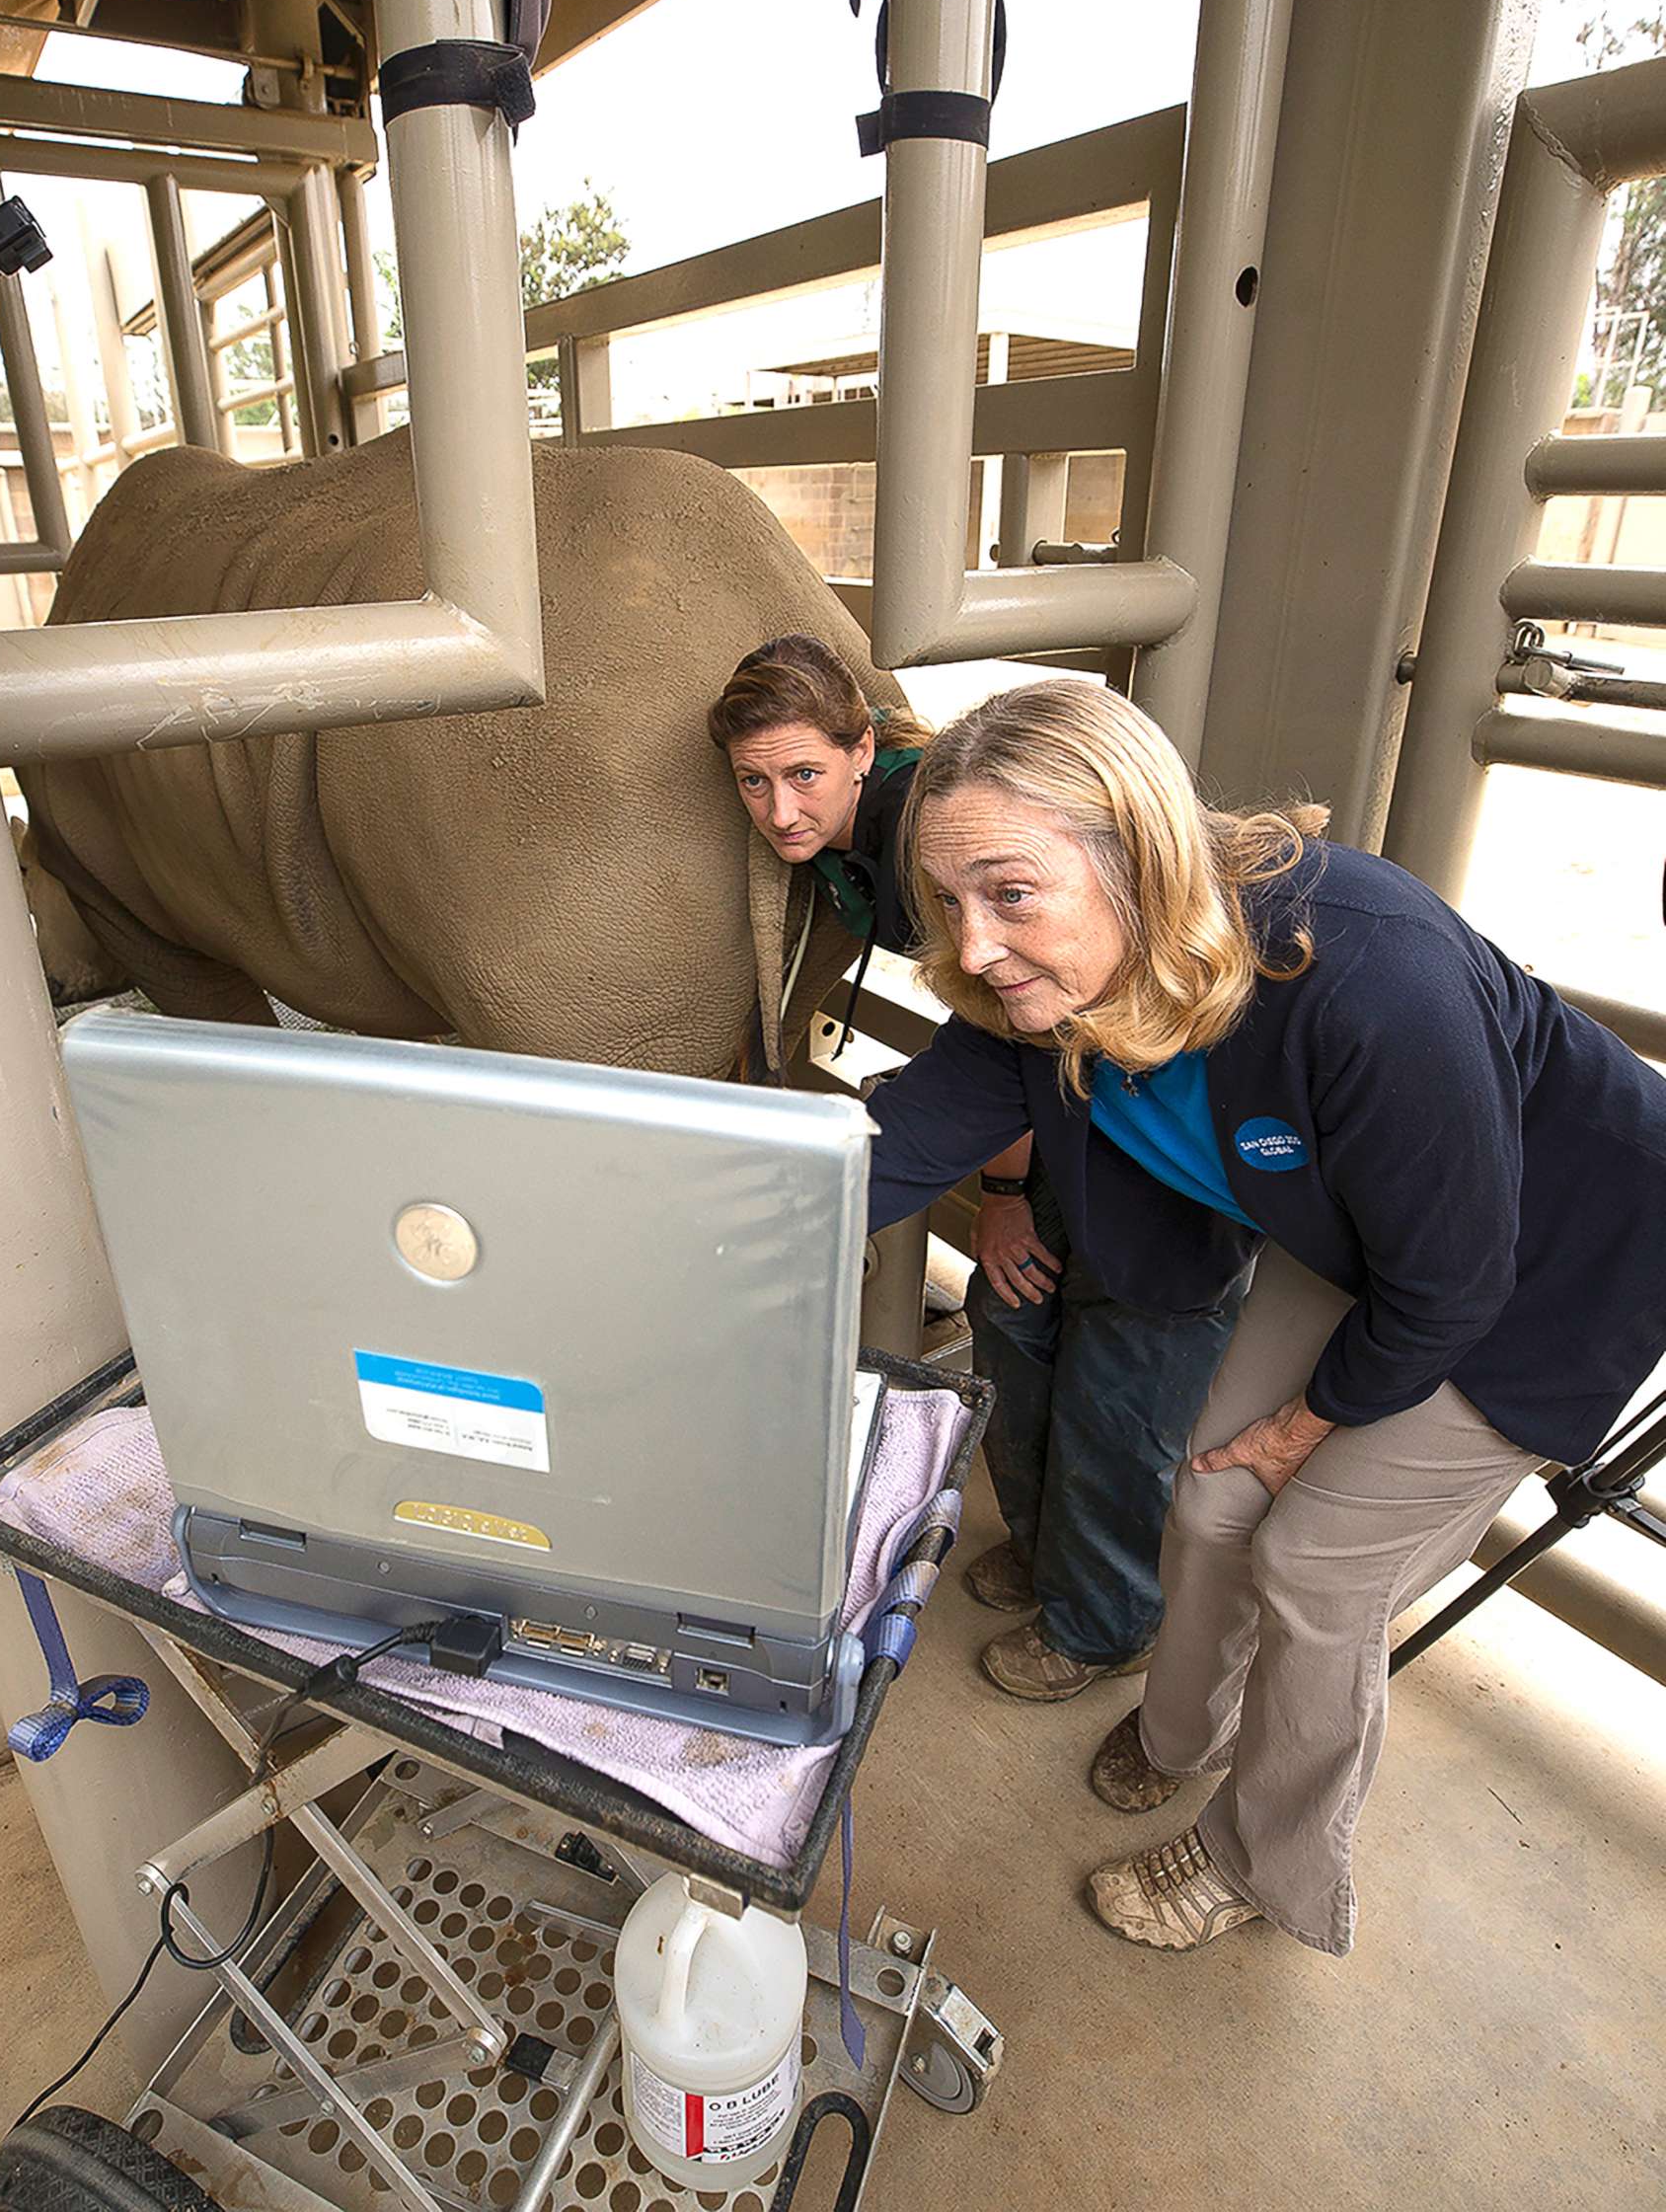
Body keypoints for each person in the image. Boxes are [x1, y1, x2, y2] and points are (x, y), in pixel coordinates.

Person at [864, 674, 1666, 1958]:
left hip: (1541, 1265)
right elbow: (889, 1149)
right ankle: (1189, 1733)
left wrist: (1312, 1424)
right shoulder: (1039, 984)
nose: (972, 946)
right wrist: (704, 1241)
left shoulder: (1364, 978)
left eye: (1011, 892)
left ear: (1137, 857)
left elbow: (1456, 1278)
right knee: (1208, 1494)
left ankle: (1259, 1862)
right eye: (948, 902)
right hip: (1363, 1223)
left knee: (1316, 1569)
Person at [707, 637, 1245, 1700]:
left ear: (865, 750)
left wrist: (1003, 1198)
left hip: (1135, 1138)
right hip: (1054, 1101)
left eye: (804, 774)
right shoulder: (871, 842)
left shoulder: (927, 836)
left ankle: (1103, 1623)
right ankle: (1054, 1559)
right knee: (1016, 1332)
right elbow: (1000, 1042)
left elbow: (1013, 1019)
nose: (778, 813)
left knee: (1117, 1391)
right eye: (753, 783)